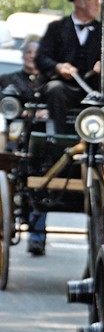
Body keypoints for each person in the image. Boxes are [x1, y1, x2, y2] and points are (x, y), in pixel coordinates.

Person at [35, 0, 102, 133]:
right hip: (64, 88)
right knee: (54, 89)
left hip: (92, 89)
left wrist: (103, 65)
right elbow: (42, 57)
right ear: (79, 2)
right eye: (93, 1)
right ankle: (59, 137)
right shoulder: (56, 28)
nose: (98, 6)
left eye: (98, 1)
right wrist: (58, 67)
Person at [11, 41, 49, 254]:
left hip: (45, 149)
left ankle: (36, 236)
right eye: (28, 52)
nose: (31, 56)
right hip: (17, 145)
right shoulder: (9, 80)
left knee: (41, 186)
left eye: (37, 52)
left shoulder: (51, 82)